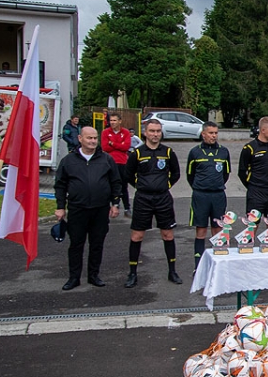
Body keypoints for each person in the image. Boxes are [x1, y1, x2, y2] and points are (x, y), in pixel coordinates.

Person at [54, 126, 121, 290]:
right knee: (76, 244)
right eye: (89, 138)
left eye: (95, 138)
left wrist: (115, 203)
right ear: (80, 139)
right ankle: (74, 278)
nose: (92, 141)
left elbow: (116, 182)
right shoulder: (68, 161)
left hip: (100, 209)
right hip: (78, 210)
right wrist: (61, 207)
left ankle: (94, 275)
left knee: (97, 244)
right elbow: (60, 185)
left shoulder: (106, 159)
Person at [124, 119, 181, 288]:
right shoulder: (137, 153)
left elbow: (176, 173)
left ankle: (172, 271)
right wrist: (142, 187)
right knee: (137, 236)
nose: (155, 134)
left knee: (168, 235)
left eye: (158, 131)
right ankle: (132, 273)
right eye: (152, 131)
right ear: (145, 133)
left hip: (163, 198)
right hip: (143, 199)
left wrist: (165, 186)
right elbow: (128, 175)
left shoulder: (168, 152)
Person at [186, 121, 231, 272]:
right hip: (201, 195)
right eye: (211, 133)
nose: (214, 136)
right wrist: (201, 186)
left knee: (217, 230)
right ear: (203, 134)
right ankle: (198, 266)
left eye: (216, 133)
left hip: (218, 195)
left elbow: (225, 174)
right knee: (201, 230)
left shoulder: (224, 151)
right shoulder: (195, 152)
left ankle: (216, 265)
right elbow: (190, 175)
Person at [239, 116, 268, 216]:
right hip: (256, 192)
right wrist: (251, 187)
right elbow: (241, 172)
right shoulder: (250, 147)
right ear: (263, 130)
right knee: (253, 224)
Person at [101, 112, 132, 216]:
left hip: (122, 162)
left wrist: (113, 144)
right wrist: (119, 145)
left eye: (114, 120)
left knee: (123, 185)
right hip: (109, 162)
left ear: (120, 121)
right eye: (111, 120)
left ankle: (127, 208)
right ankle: (112, 205)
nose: (112, 122)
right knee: (109, 184)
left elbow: (126, 147)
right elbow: (105, 148)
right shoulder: (105, 132)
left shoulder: (126, 132)